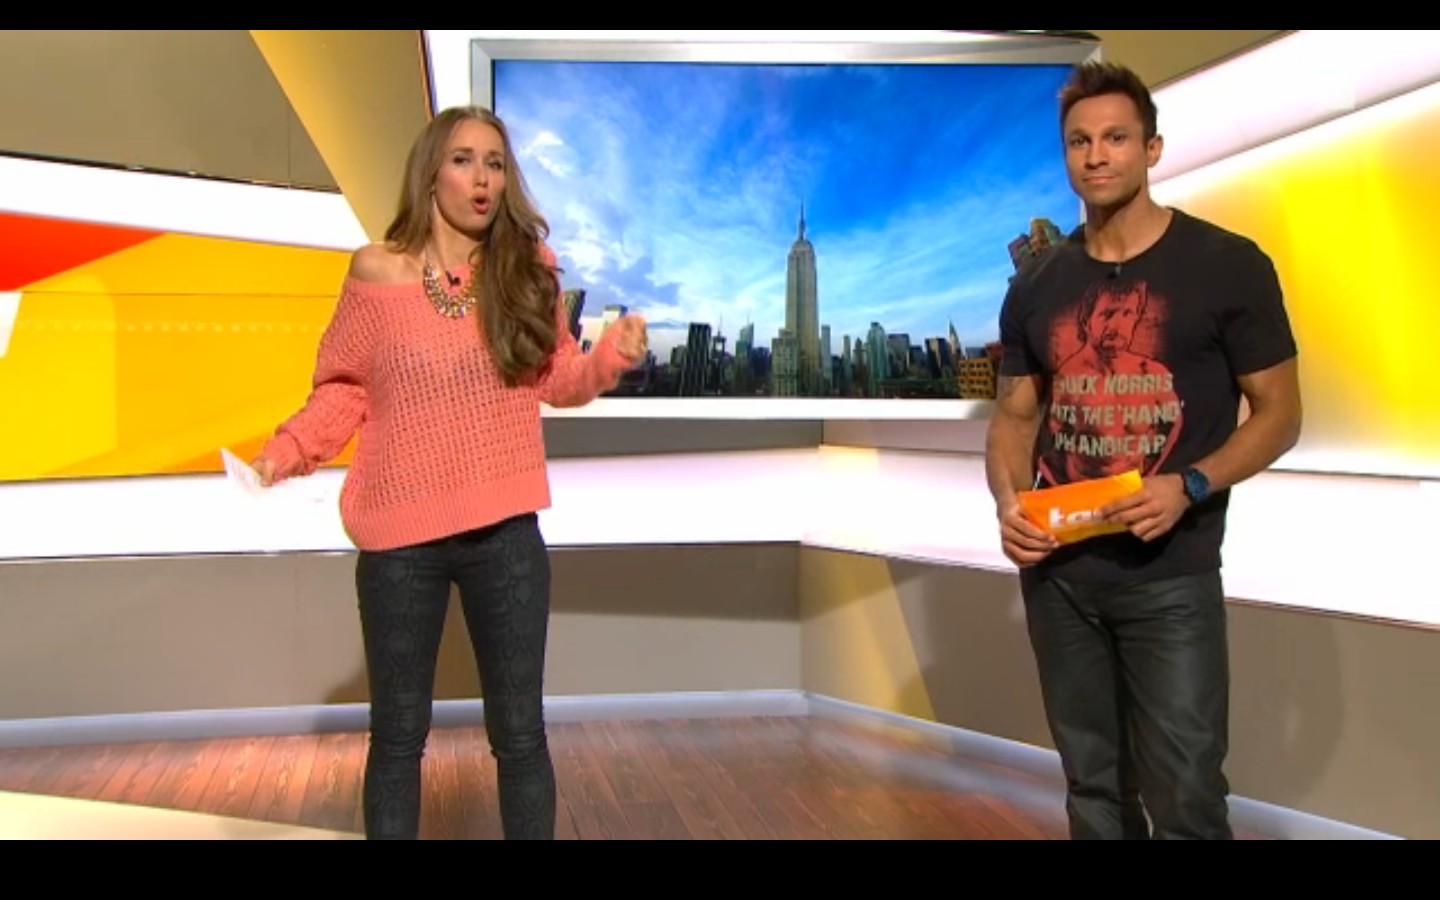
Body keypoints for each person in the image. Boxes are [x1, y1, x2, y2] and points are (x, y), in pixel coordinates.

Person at [250, 105, 647, 840]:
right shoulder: (375, 273)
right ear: (431, 172)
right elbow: (344, 389)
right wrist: (289, 449)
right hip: (400, 540)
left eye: (495, 163)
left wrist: (606, 362)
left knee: (520, 736)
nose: (483, 179)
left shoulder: (526, 272)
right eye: (465, 160)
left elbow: (557, 378)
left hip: (506, 537)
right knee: (398, 739)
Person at [985, 61, 1302, 840]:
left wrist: (1188, 484)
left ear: (1152, 149)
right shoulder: (1035, 287)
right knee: (1094, 790)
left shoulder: (1228, 265)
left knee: (1188, 795)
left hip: (1171, 575)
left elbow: (1279, 415)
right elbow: (1015, 421)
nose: (1096, 156)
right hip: (1060, 577)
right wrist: (1009, 505)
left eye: (1116, 138)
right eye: (1079, 141)